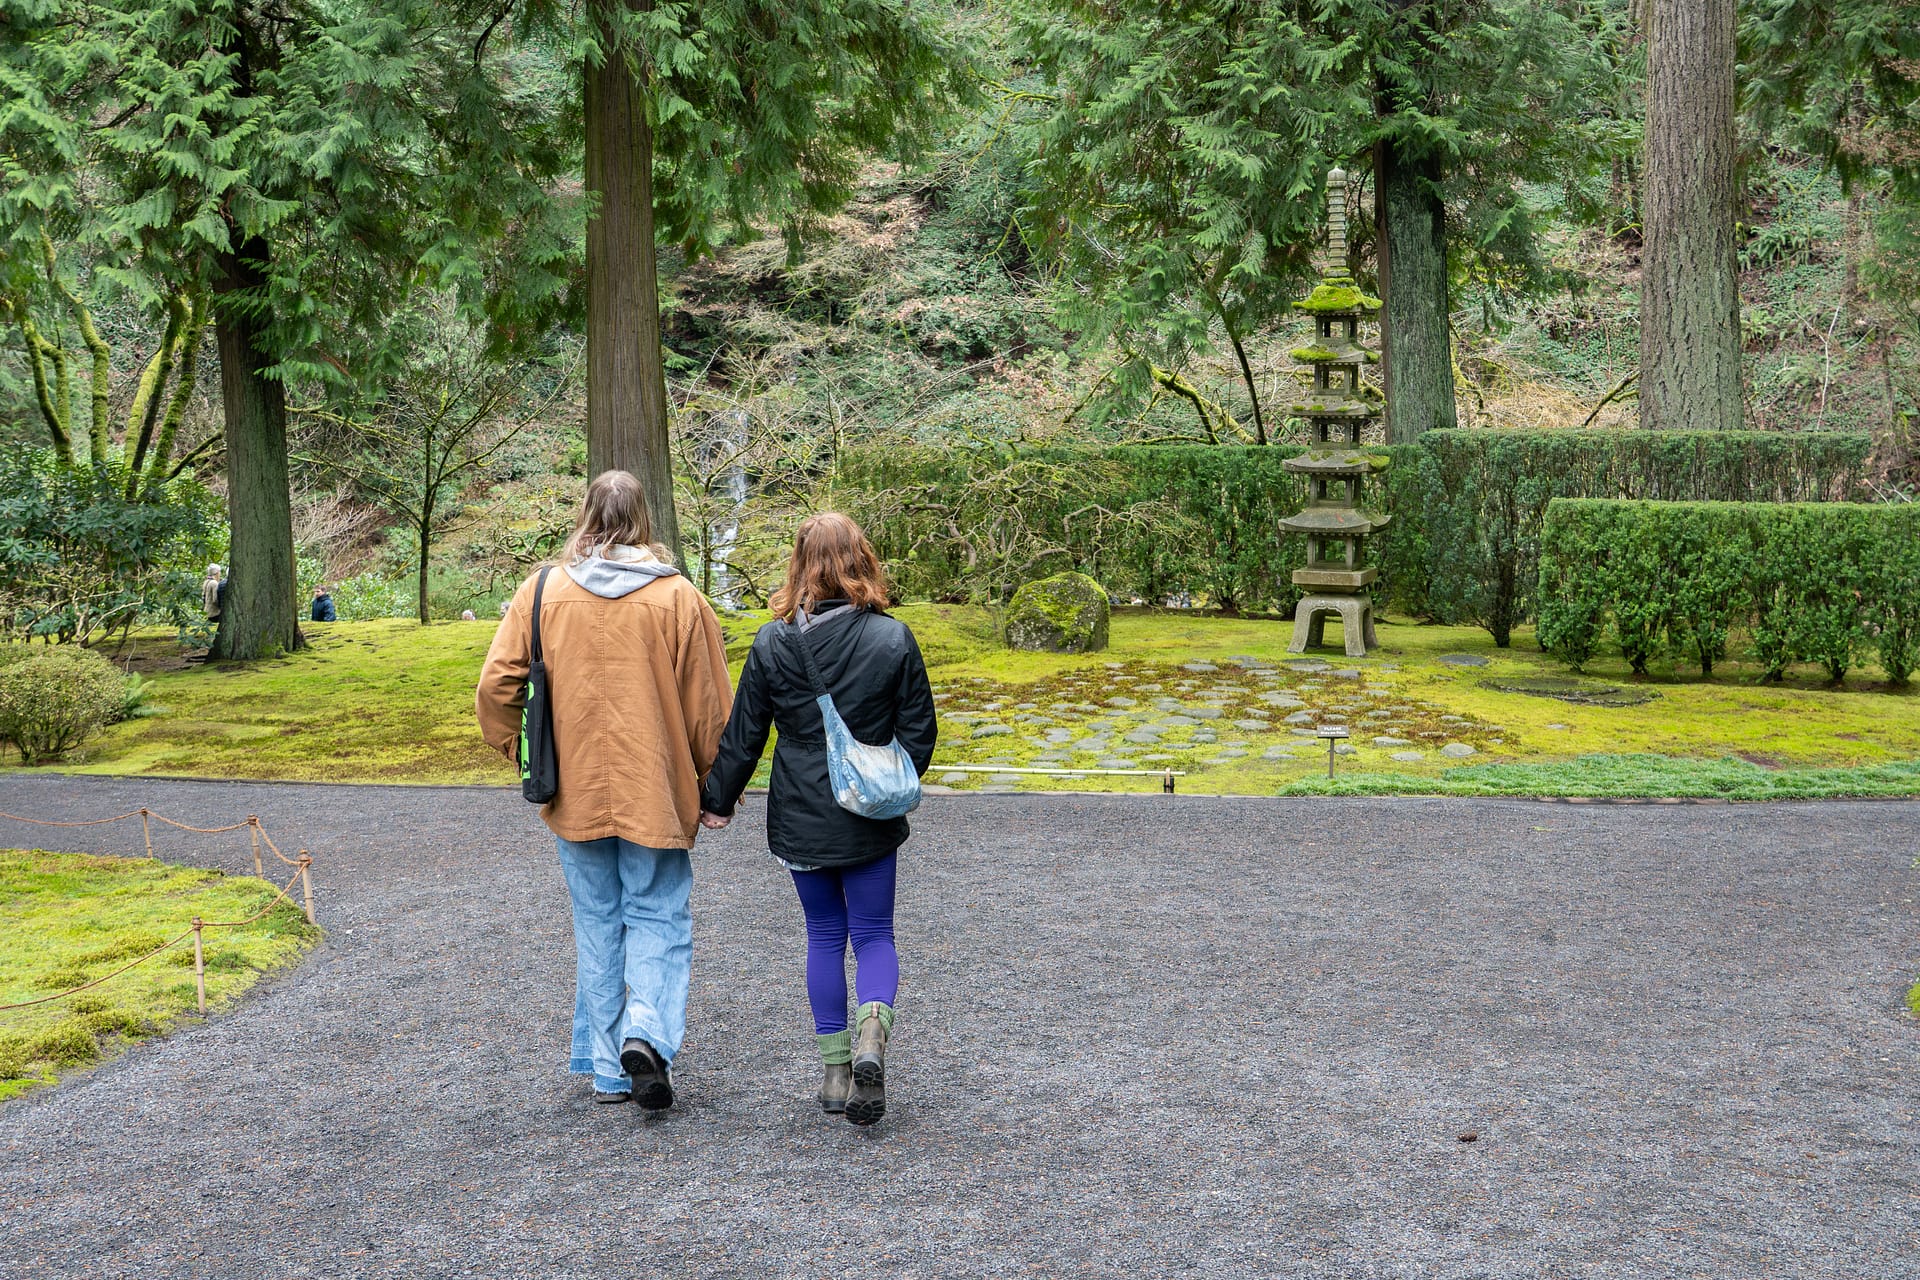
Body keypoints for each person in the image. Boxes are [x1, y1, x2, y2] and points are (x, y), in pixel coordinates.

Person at [476, 471, 732, 1110]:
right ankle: (645, 1033)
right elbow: (708, 709)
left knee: (596, 920)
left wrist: (520, 749)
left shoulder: (540, 591)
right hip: (657, 784)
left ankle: (611, 1071)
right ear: (645, 519)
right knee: (658, 914)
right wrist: (713, 782)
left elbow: (495, 687)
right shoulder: (679, 599)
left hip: (574, 786)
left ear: (586, 514)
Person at [700, 513, 937, 1126]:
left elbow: (744, 734)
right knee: (874, 935)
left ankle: (835, 1075)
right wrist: (886, 778)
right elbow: (920, 733)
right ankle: (872, 1037)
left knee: (824, 937)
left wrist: (718, 800)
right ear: (864, 559)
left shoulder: (773, 641)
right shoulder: (893, 638)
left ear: (800, 564)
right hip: (868, 819)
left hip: (801, 814)